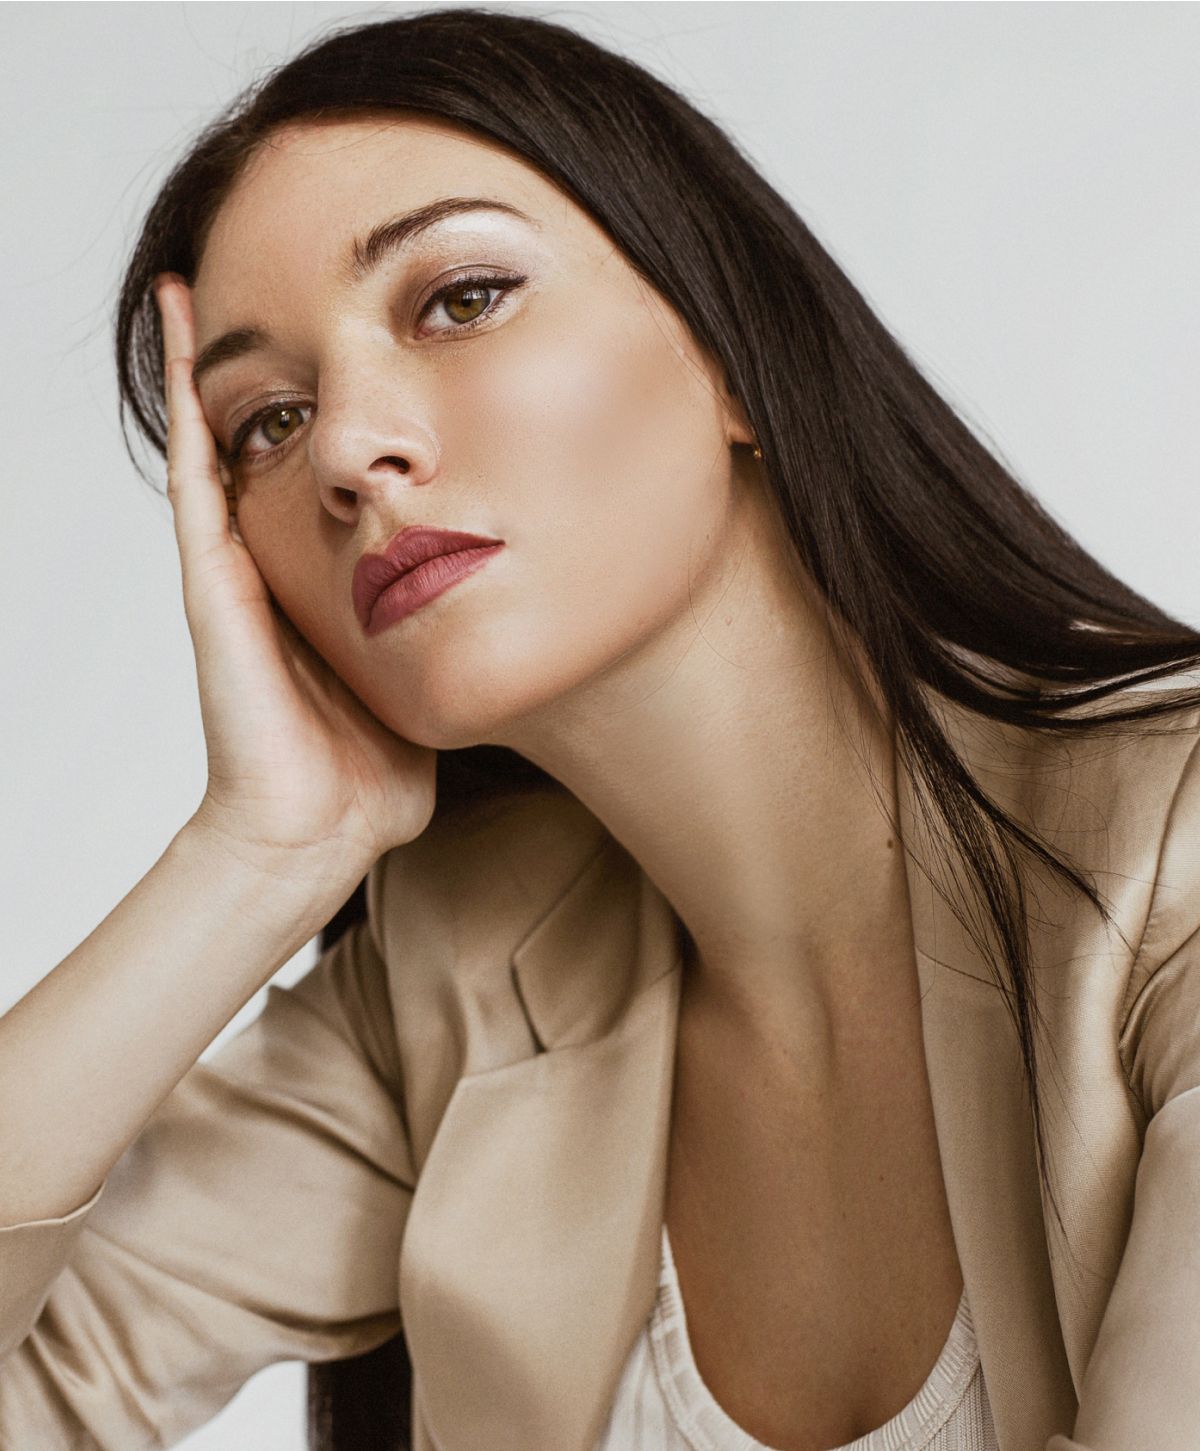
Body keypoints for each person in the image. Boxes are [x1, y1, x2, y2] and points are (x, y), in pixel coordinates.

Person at [2, 8, 1199, 1451]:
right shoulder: (452, 983)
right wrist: (253, 859)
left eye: (460, 299)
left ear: (734, 349)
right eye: (264, 420)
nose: (346, 449)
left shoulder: (1171, 850)